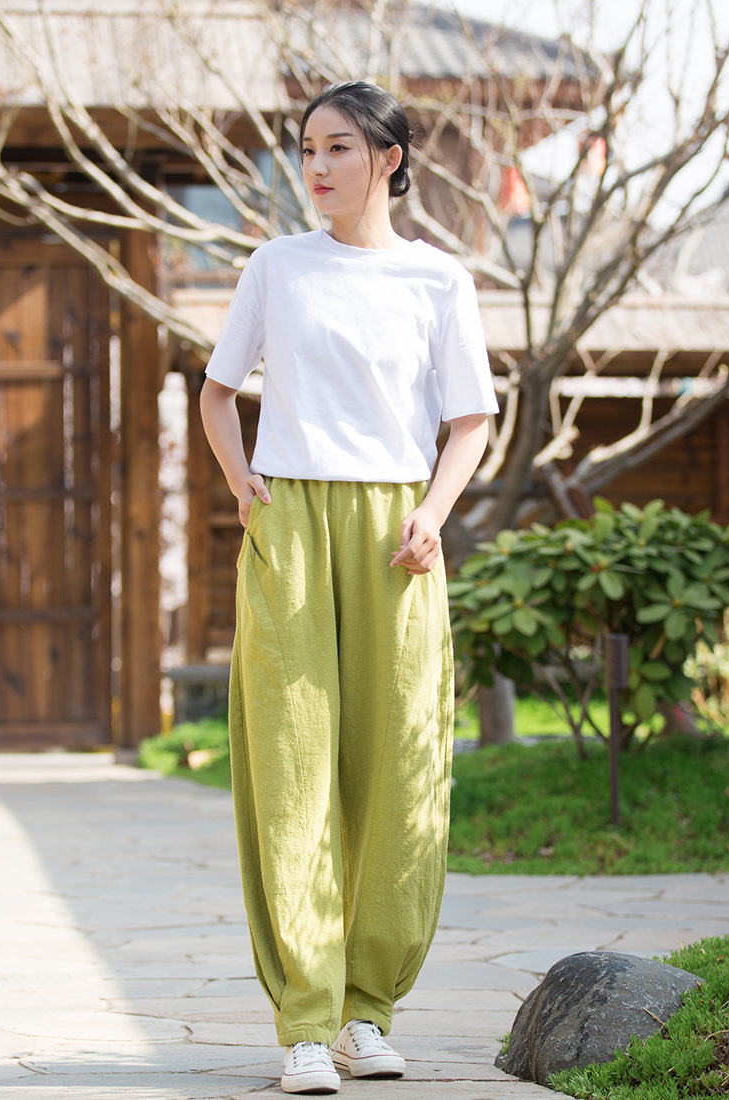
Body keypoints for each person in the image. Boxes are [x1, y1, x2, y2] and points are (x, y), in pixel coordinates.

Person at [200, 80, 498, 1096]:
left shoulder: (438, 279)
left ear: (390, 157)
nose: (316, 166)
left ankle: (367, 1013)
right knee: (292, 769)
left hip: (397, 537)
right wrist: (244, 487)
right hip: (291, 524)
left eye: (338, 147)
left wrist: (434, 512)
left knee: (398, 771)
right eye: (306, 148)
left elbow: (470, 419)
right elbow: (217, 392)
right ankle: (304, 1019)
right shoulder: (277, 266)